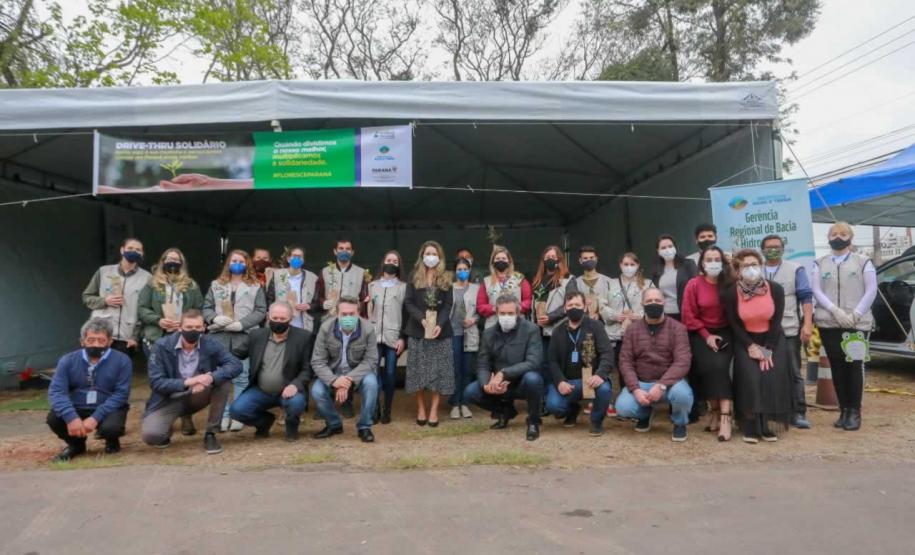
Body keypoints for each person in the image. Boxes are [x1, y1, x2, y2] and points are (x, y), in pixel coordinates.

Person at [141, 309, 243, 455]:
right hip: (169, 398)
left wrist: (210, 378)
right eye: (188, 327)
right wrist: (190, 381)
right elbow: (156, 382)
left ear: (203, 328)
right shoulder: (161, 346)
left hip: (198, 394)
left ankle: (211, 434)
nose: (193, 331)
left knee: (223, 381)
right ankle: (168, 427)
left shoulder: (211, 344)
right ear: (180, 327)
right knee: (152, 436)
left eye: (197, 327)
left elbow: (235, 365)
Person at [811, 222, 877, 431]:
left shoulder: (863, 262)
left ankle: (855, 410)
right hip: (829, 322)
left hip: (857, 323)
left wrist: (855, 314)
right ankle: (843, 410)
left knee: (854, 365)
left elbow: (871, 289)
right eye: (834, 234)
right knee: (836, 365)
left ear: (851, 238)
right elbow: (816, 290)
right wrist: (835, 311)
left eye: (843, 233)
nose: (838, 237)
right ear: (828, 238)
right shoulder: (819, 263)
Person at [723, 249, 794, 443]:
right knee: (750, 379)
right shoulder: (731, 293)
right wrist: (751, 346)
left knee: (770, 377)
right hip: (745, 340)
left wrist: (768, 348)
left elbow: (777, 320)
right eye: (745, 265)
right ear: (738, 270)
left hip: (772, 339)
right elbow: (734, 323)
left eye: (754, 264)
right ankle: (750, 425)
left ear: (761, 266)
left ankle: (766, 425)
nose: (751, 269)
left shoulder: (775, 289)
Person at [137, 248, 204, 436]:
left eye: (177, 259)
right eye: (169, 259)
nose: (173, 262)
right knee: (160, 379)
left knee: (184, 374)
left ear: (182, 263)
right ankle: (159, 416)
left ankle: (185, 415)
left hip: (183, 337)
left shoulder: (191, 285)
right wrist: (158, 320)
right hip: (157, 337)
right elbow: (141, 308)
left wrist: (187, 324)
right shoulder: (151, 284)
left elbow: (199, 308)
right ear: (162, 261)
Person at [46, 317, 132, 462]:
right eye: (91, 340)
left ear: (110, 342)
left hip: (108, 406)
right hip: (77, 406)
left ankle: (111, 439)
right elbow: (57, 391)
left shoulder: (122, 360)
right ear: (82, 341)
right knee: (54, 419)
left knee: (112, 427)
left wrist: (95, 418)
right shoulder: (67, 360)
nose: (96, 345)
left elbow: (121, 394)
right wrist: (71, 417)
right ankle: (76, 445)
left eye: (101, 340)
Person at [615, 288, 693, 442]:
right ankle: (645, 414)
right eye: (649, 301)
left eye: (657, 301)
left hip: (671, 383)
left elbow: (683, 361)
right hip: (642, 383)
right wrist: (635, 389)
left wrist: (662, 385)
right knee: (622, 407)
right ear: (642, 303)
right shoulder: (632, 330)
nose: (653, 304)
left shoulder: (678, 328)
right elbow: (625, 362)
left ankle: (679, 423)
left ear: (664, 302)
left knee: (683, 395)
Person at [202, 249, 267, 432]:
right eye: (233, 260)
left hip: (243, 337)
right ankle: (222, 415)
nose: (237, 263)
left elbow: (261, 310)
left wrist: (242, 324)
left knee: (241, 377)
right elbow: (206, 307)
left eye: (241, 261)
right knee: (221, 378)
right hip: (219, 336)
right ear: (228, 263)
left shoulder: (255, 286)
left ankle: (238, 415)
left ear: (247, 264)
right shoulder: (216, 284)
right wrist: (214, 318)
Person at [463, 294, 544, 441]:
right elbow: (483, 364)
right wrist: (486, 384)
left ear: (518, 313)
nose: (506, 316)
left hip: (521, 382)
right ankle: (505, 412)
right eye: (503, 313)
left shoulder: (531, 330)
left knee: (533, 379)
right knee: (470, 392)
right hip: (497, 384)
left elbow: (534, 362)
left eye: (510, 313)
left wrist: (504, 373)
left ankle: (533, 421)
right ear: (496, 313)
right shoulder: (488, 334)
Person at [229, 302, 312, 441]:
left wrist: (295, 385)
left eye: (282, 319)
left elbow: (308, 368)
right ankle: (264, 422)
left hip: (289, 389)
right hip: (261, 390)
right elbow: (236, 354)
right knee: (237, 410)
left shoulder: (304, 337)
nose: (278, 322)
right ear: (268, 317)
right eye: (275, 318)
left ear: (291, 319)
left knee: (296, 403)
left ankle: (292, 427)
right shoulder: (256, 335)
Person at [760, 234, 814, 429]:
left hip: (789, 330)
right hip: (764, 333)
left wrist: (807, 324)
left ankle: (798, 411)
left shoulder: (795, 269)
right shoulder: (756, 271)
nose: (772, 249)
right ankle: (772, 409)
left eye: (776, 246)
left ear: (783, 248)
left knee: (793, 371)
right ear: (762, 250)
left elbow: (806, 297)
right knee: (766, 370)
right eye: (768, 247)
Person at [681, 246, 735, 441]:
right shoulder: (693, 284)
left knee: (720, 368)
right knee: (706, 370)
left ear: (723, 262)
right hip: (700, 332)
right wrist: (706, 335)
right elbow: (688, 316)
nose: (713, 263)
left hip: (726, 332)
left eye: (717, 259)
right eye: (709, 259)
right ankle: (713, 411)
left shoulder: (730, 283)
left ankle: (726, 417)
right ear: (702, 263)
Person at [310, 296, 380, 442]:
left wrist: (348, 380)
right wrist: (335, 380)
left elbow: (371, 360)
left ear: (358, 313)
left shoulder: (368, 328)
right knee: (317, 391)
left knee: (372, 384)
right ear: (337, 313)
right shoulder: (325, 328)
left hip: (358, 372)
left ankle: (364, 426)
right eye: (344, 314)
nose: (348, 317)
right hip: (333, 372)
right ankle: (334, 424)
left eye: (351, 314)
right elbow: (317, 361)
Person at [545, 291, 615, 436]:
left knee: (604, 389)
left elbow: (607, 354)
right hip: (568, 381)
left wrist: (600, 375)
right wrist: (560, 382)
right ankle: (572, 410)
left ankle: (596, 421)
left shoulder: (596, 326)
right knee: (553, 405)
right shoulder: (558, 331)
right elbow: (552, 361)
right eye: (570, 305)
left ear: (584, 307)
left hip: (591, 379)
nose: (574, 308)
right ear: (565, 308)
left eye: (577, 304)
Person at [403, 241, 455, 426]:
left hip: (440, 333)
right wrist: (422, 319)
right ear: (422, 256)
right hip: (418, 331)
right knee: (418, 373)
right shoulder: (414, 276)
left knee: (438, 372)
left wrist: (439, 324)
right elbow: (408, 302)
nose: (431, 256)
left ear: (439, 257)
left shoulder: (446, 277)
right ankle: (421, 409)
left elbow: (448, 304)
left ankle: (434, 410)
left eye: (434, 253)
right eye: (427, 253)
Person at [82, 237, 151, 354]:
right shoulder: (104, 272)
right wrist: (104, 301)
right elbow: (87, 297)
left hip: (126, 337)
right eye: (130, 248)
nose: (134, 251)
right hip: (101, 335)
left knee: (121, 370)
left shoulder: (147, 278)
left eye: (138, 250)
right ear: (122, 250)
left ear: (142, 253)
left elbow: (145, 310)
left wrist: (135, 337)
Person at [367, 250, 407, 424]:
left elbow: (407, 315)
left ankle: (387, 409)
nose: (391, 262)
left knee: (390, 374)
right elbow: (366, 311)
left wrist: (402, 338)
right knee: (373, 373)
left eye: (395, 261)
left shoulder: (403, 287)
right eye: (389, 259)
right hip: (374, 337)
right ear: (383, 262)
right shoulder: (372, 285)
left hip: (393, 337)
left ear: (399, 265)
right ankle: (374, 407)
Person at [530, 245, 575, 387]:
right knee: (543, 364)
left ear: (559, 260)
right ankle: (545, 397)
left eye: (553, 257)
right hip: (539, 330)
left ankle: (561, 394)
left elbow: (571, 304)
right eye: (547, 257)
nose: (550, 260)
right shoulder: (537, 281)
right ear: (543, 260)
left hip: (558, 329)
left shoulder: (568, 279)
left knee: (558, 363)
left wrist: (551, 317)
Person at [602, 252, 653, 369]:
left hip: (640, 334)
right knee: (622, 368)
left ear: (638, 265)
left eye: (632, 264)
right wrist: (614, 315)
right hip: (616, 335)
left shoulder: (648, 284)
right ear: (620, 265)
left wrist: (640, 316)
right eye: (626, 264)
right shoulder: (610, 284)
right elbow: (601, 305)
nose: (629, 267)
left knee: (642, 367)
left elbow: (655, 303)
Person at [450, 258, 480, 419]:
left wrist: (474, 319)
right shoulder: (449, 288)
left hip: (470, 332)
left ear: (469, 270)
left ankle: (465, 403)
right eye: (459, 268)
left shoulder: (477, 289)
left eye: (465, 269)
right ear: (455, 271)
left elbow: (482, 310)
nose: (462, 271)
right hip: (453, 333)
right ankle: (455, 403)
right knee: (456, 370)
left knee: (468, 370)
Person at [266, 246, 319, 334]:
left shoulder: (312, 278)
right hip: (280, 322)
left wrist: (309, 306)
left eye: (300, 256)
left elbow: (318, 303)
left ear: (303, 260)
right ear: (288, 258)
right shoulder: (277, 275)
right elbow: (269, 298)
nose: (297, 259)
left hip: (302, 324)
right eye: (294, 256)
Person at [476, 246, 533, 329]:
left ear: (509, 261)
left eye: (503, 258)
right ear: (493, 262)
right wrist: (494, 308)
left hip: (517, 325)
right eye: (497, 259)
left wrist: (515, 308)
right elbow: (480, 306)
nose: (500, 261)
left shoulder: (520, 278)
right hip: (493, 326)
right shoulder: (487, 281)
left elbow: (528, 301)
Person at [318, 239, 369, 324]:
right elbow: (318, 295)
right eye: (341, 248)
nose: (344, 251)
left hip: (352, 319)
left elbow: (365, 300)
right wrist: (323, 303)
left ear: (352, 252)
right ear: (335, 251)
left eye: (348, 249)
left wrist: (357, 308)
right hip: (329, 319)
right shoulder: (325, 272)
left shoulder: (361, 273)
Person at [650, 235, 698, 322]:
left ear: (675, 247)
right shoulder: (656, 270)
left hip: (686, 313)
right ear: (658, 251)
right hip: (665, 315)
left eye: (670, 246)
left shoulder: (688, 264)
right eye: (663, 248)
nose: (667, 250)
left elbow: (697, 288)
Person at [573, 245, 612, 330]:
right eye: (585, 258)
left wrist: (600, 314)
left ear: (596, 259)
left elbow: (613, 304)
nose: (589, 260)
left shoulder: (608, 281)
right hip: (582, 325)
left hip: (605, 327)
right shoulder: (575, 283)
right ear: (580, 260)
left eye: (591, 257)